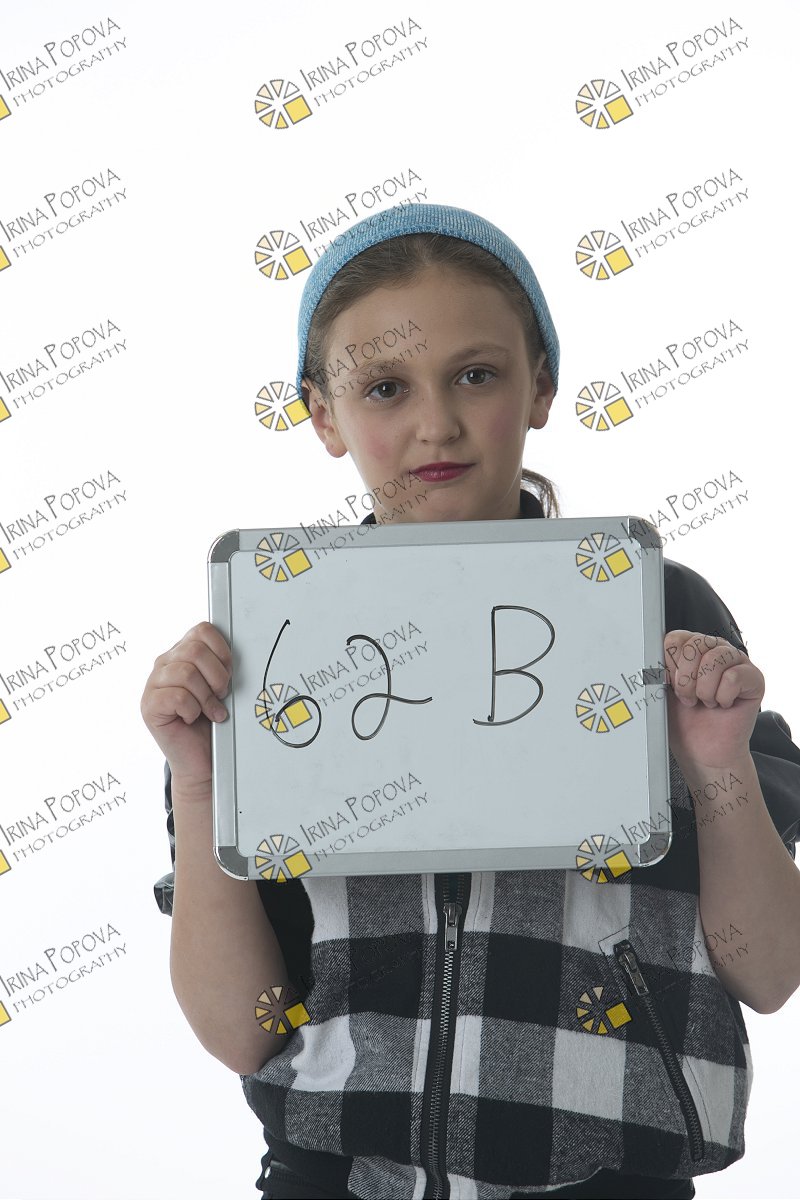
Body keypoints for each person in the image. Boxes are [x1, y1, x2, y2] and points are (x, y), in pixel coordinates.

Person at [141, 204, 800, 1200]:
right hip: (333, 1177)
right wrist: (199, 781)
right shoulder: (274, 642)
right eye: (384, 388)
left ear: (541, 386)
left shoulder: (655, 613)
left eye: (476, 375)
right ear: (324, 416)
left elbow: (769, 971)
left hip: (609, 1175)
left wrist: (716, 766)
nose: (435, 424)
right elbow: (244, 1028)